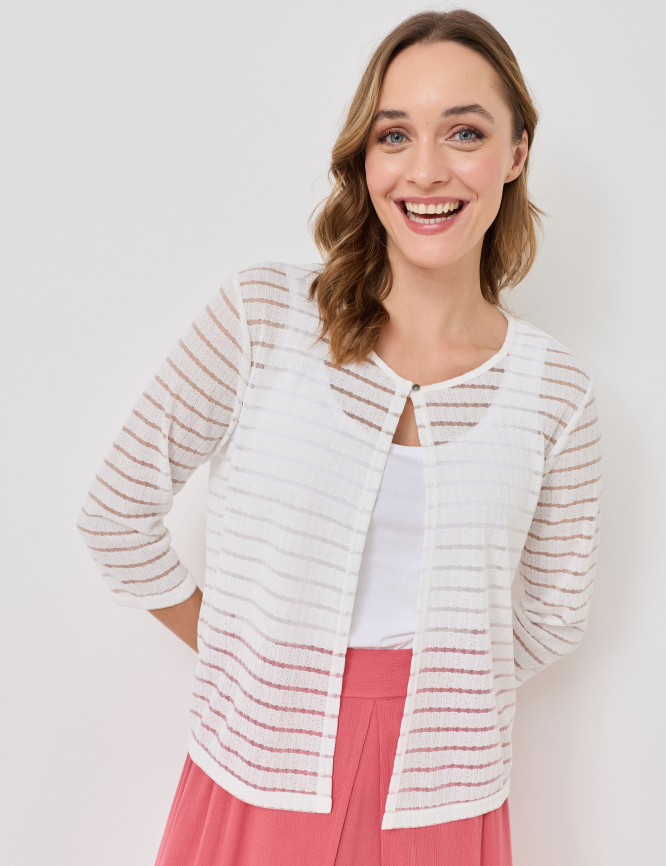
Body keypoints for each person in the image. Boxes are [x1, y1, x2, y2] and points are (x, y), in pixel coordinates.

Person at [76, 8, 602, 866]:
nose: (425, 170)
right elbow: (115, 517)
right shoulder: (262, 316)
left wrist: (432, 696)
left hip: (446, 791)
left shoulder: (555, 391)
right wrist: (251, 658)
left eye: (464, 132)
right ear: (365, 157)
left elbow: (553, 616)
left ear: (516, 153)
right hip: (255, 767)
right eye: (395, 134)